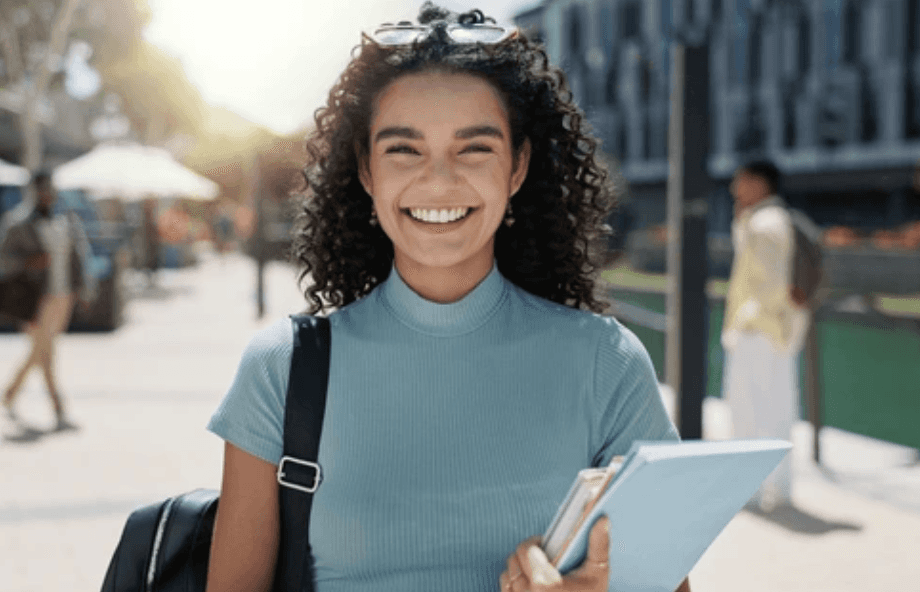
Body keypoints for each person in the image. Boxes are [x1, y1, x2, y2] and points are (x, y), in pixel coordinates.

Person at [205, 4, 688, 592]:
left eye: (474, 148)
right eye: (404, 149)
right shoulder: (281, 369)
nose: (438, 180)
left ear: (517, 168)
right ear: (366, 171)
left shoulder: (607, 363)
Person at [721, 159, 809, 511]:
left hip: (759, 331)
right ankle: (777, 489)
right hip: (775, 332)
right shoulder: (773, 219)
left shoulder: (764, 224)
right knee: (777, 412)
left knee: (748, 413)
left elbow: (769, 283)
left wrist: (749, 319)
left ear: (758, 183)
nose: (734, 189)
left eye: (740, 181)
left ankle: (751, 491)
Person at [0, 170, 95, 429]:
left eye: (49, 189)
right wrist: (29, 262)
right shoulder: (18, 223)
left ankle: (9, 392)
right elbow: (5, 260)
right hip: (34, 298)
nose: (46, 194)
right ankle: (58, 404)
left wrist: (82, 290)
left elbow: (79, 257)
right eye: (41, 189)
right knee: (46, 350)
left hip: (62, 296)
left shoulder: (65, 220)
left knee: (41, 349)